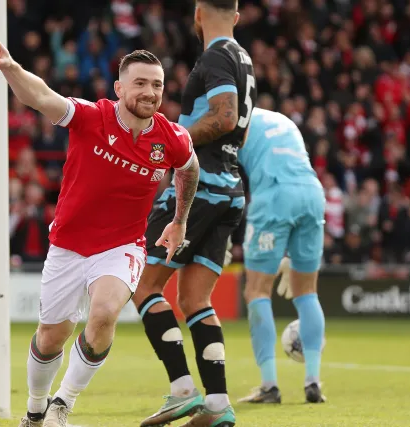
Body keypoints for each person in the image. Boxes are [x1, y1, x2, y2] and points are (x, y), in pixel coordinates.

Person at [0, 31, 201, 427]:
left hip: (122, 246)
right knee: (51, 338)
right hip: (68, 244)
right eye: (140, 83)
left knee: (103, 315)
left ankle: (62, 404)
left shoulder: (172, 137)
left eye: (157, 85)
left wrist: (180, 219)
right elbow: (41, 96)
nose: (150, 92)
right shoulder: (91, 116)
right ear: (119, 87)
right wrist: (11, 68)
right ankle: (35, 408)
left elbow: (189, 167)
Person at [133, 0, 257, 425]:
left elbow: (225, 116)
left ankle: (181, 390)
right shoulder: (243, 58)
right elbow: (238, 123)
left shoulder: (216, 56)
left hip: (200, 185)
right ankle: (218, 406)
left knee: (144, 286)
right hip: (230, 189)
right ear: (236, 16)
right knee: (194, 299)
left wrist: (175, 138)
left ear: (199, 12)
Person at [235, 108, 326, 404]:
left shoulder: (234, 120)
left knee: (257, 290)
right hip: (312, 193)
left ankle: (269, 386)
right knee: (307, 291)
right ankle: (313, 381)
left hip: (274, 195)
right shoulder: (284, 119)